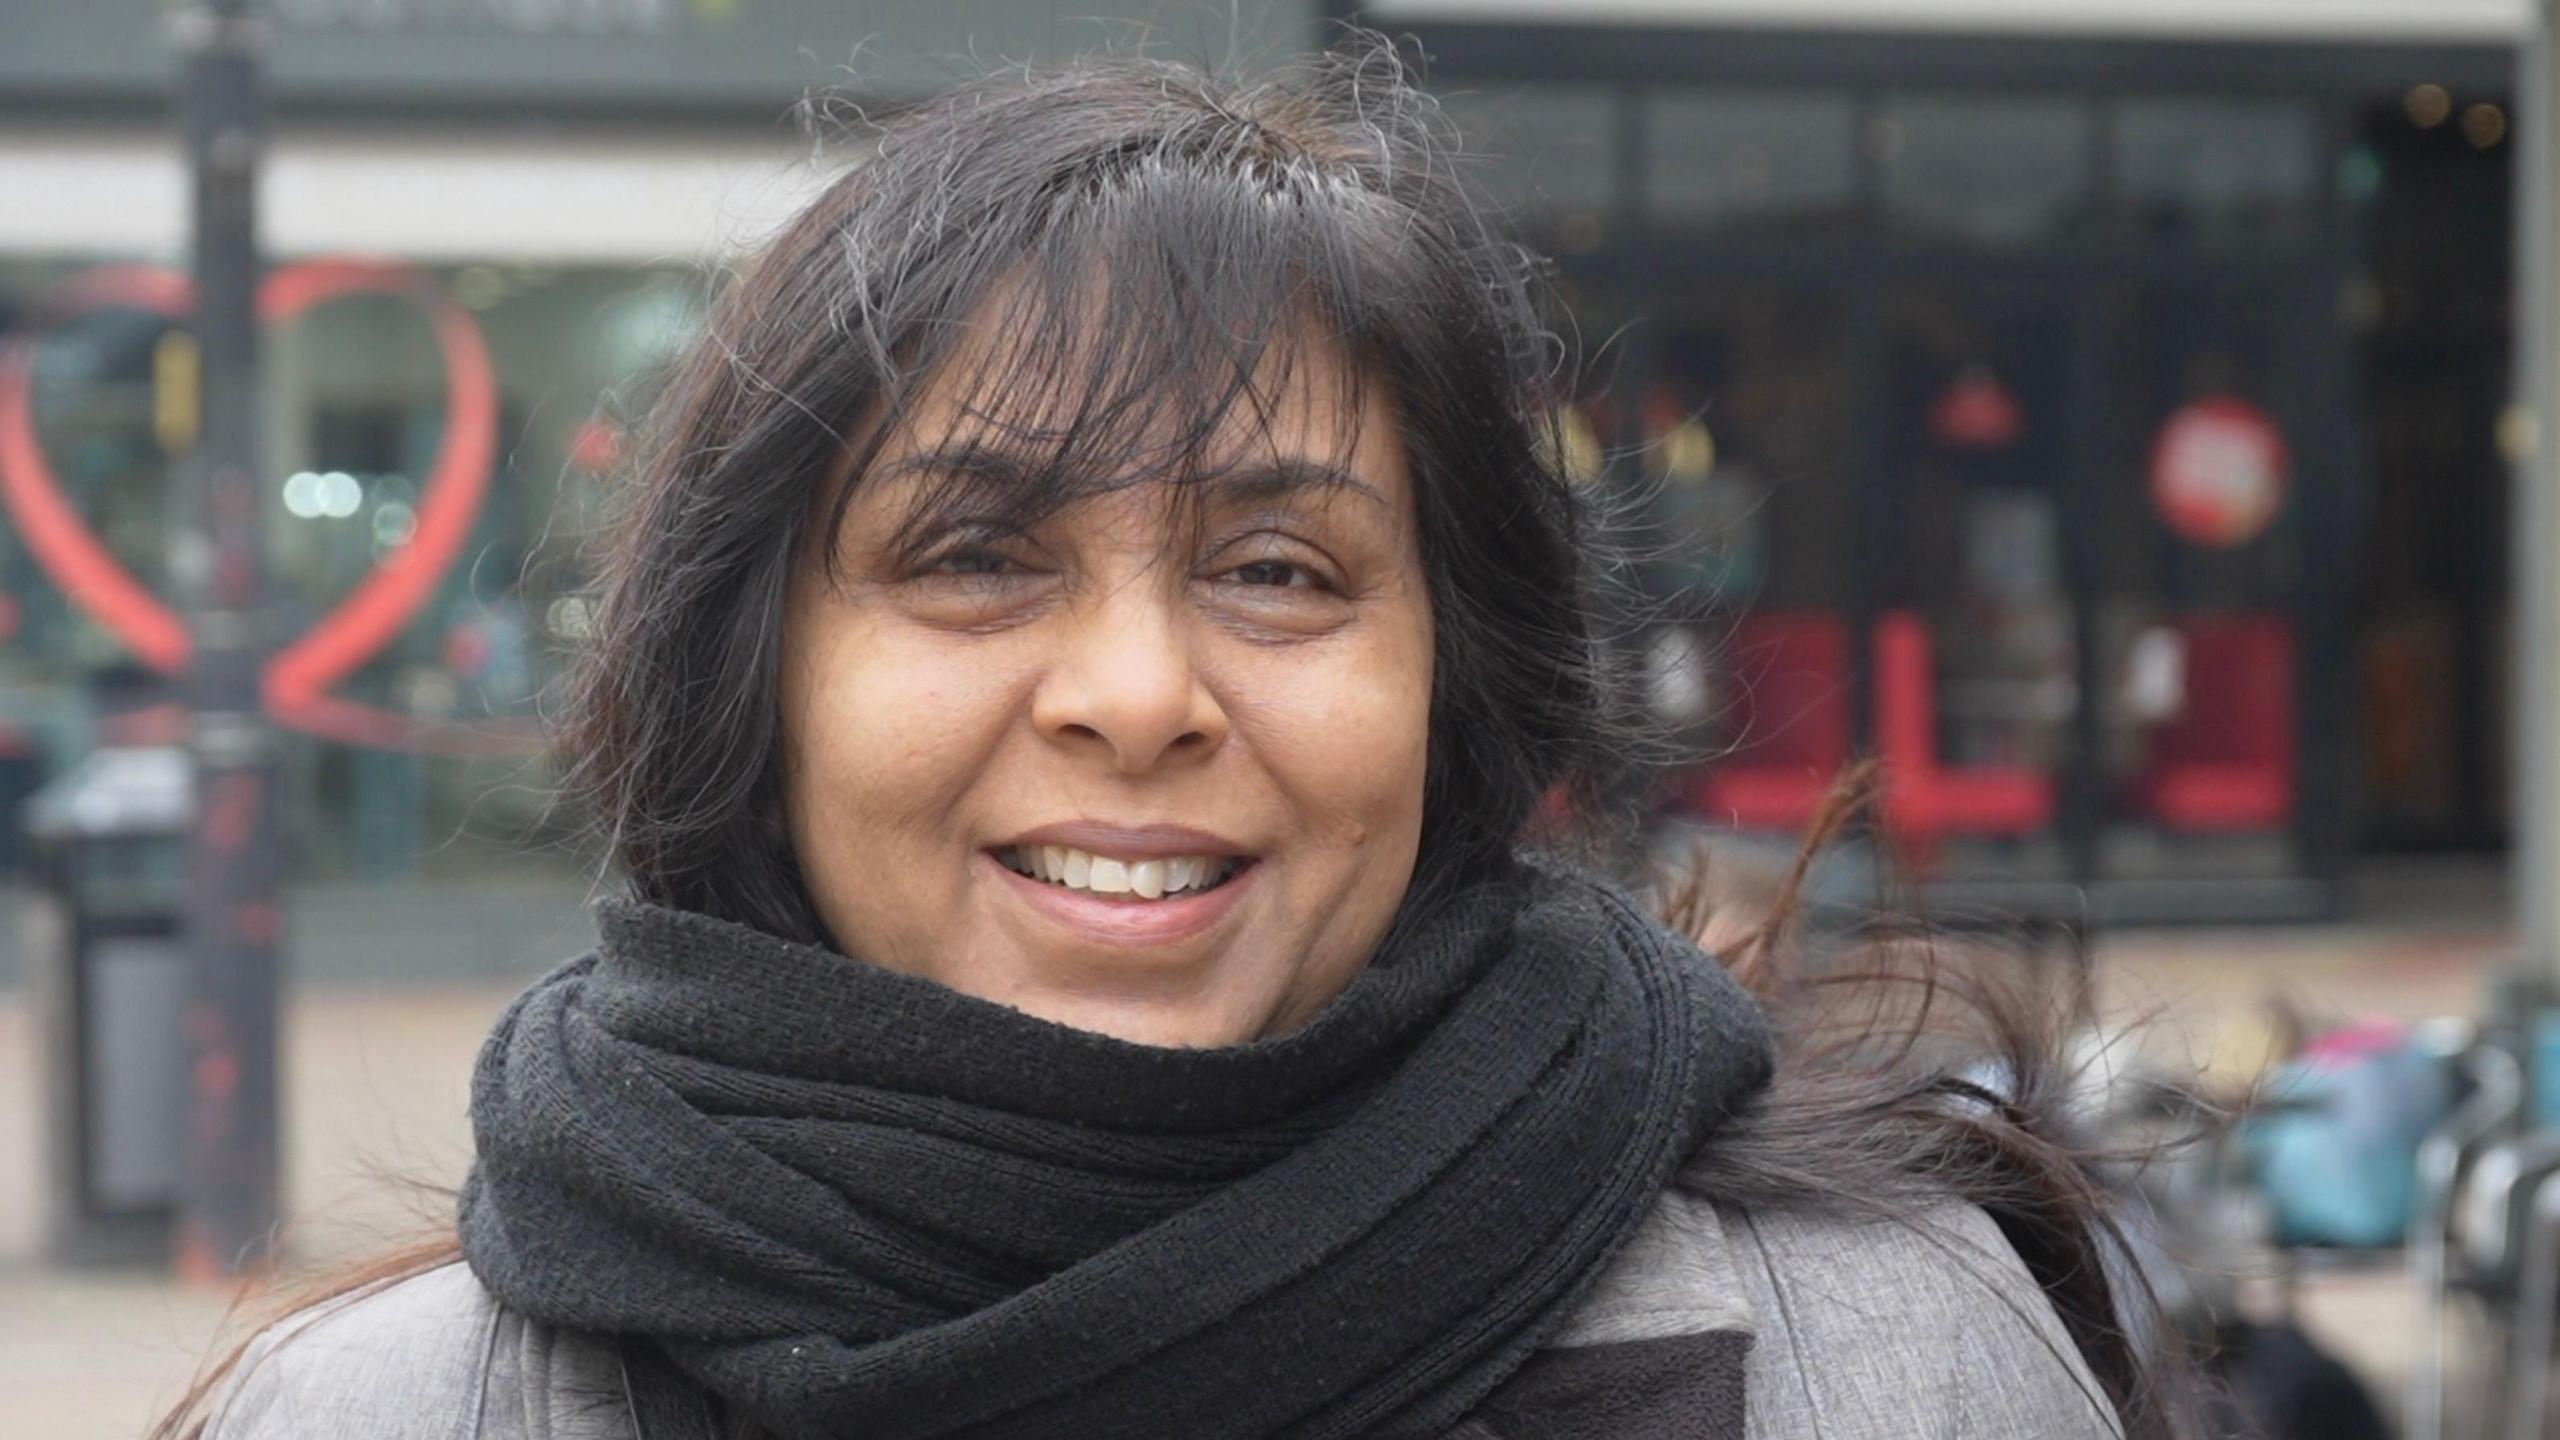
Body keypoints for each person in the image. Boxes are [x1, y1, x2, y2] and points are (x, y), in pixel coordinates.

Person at [165, 36, 2171, 1440]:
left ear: (1449, 688)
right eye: (972, 556)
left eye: (1282, 571)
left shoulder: (1891, 1370)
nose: (1134, 695)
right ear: (750, 672)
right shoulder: (380, 1418)